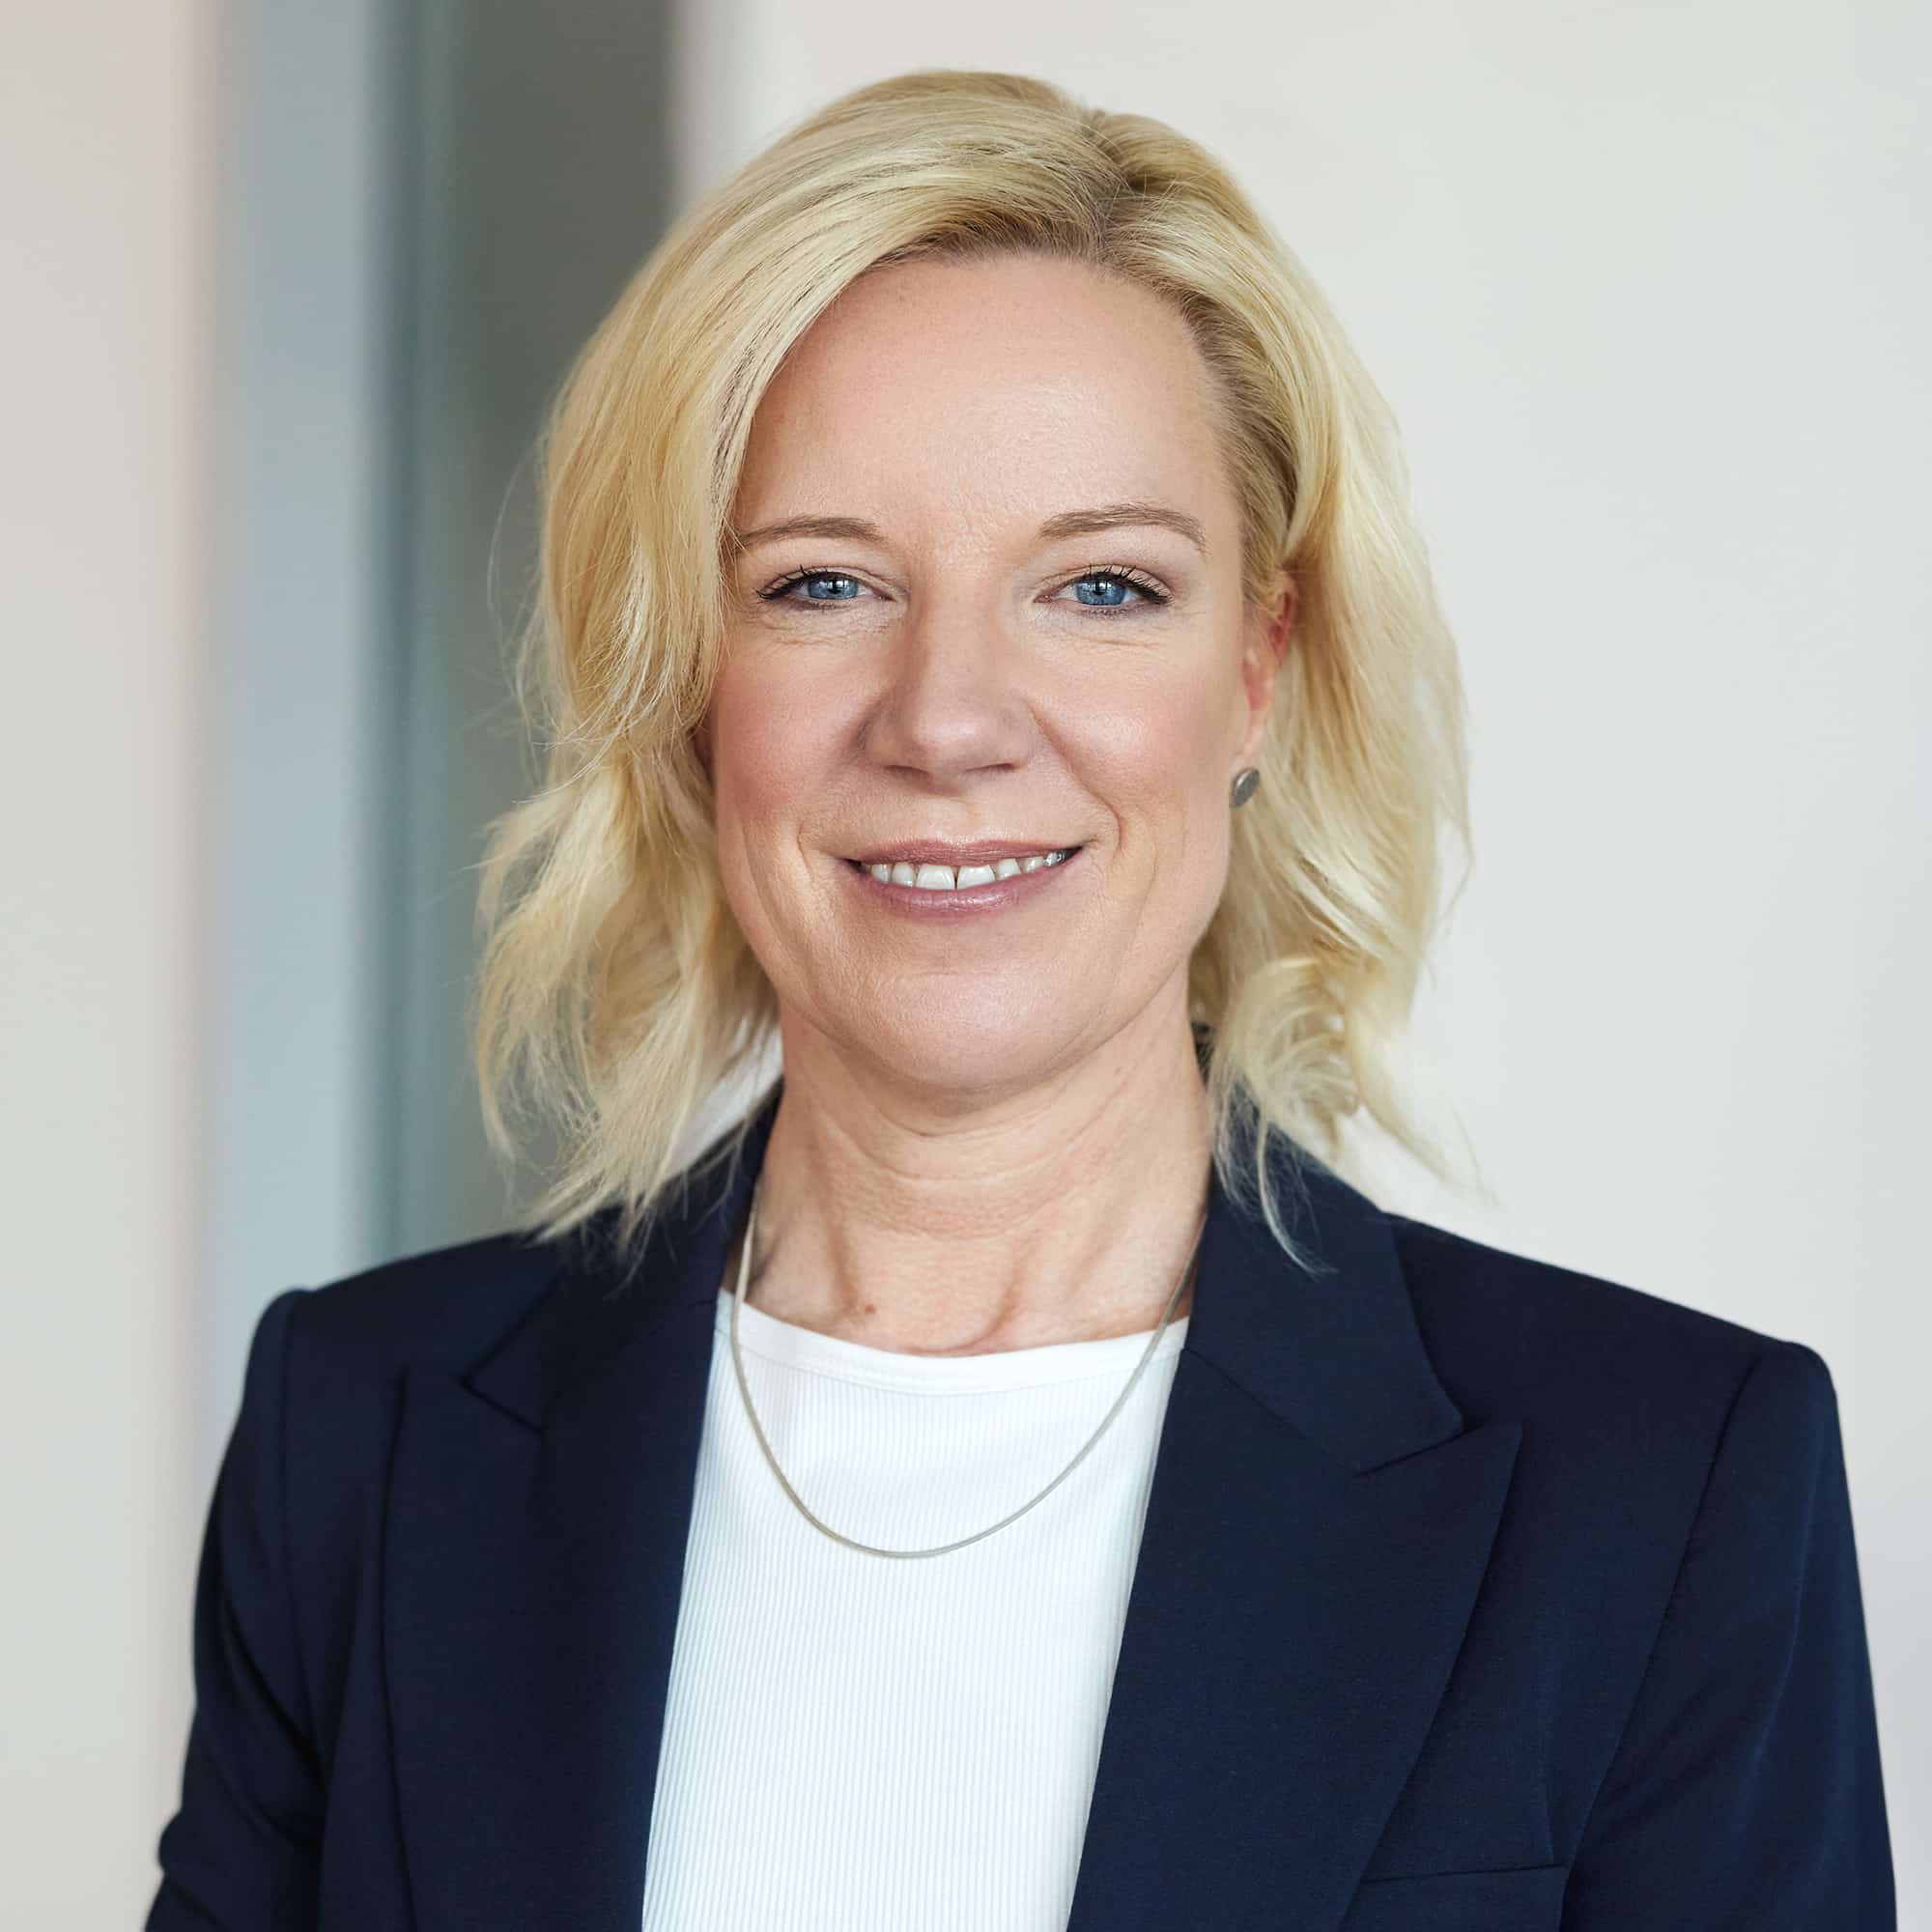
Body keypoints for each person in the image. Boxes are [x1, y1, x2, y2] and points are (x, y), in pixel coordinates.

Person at [148, 68, 1894, 1932]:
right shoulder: (363, 1440)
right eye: (824, 583)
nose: (950, 719)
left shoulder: (1661, 1488)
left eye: (1103, 588)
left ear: (1260, 669)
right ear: (688, 681)